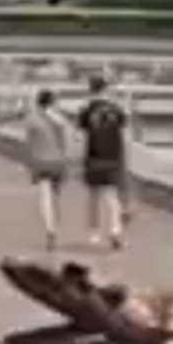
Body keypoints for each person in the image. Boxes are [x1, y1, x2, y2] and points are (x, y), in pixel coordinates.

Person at [75, 74, 132, 256]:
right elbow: (124, 125)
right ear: (106, 89)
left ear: (90, 90)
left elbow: (80, 131)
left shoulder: (86, 109)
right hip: (113, 156)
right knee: (112, 196)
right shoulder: (116, 109)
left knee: (93, 196)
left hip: (93, 157)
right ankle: (115, 230)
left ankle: (94, 233)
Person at [18, 77, 77, 250]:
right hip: (58, 162)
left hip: (41, 162)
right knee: (56, 197)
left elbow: (28, 144)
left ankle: (50, 230)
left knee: (44, 198)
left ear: (38, 102)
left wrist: (28, 163)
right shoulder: (59, 120)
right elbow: (66, 143)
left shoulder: (31, 119)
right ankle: (55, 224)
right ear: (53, 102)